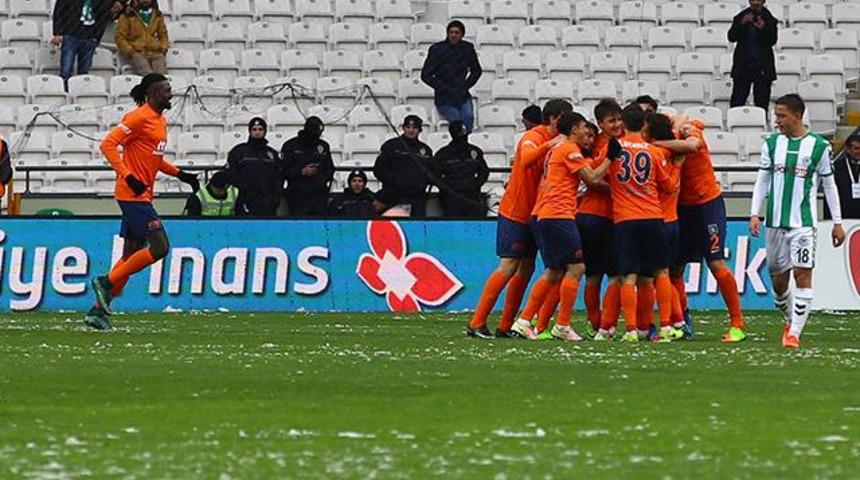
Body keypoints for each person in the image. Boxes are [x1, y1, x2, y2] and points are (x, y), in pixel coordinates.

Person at [88, 73, 199, 330]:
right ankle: (106, 281)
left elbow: (154, 159)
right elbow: (108, 145)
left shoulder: (160, 121)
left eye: (170, 89)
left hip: (142, 194)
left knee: (130, 255)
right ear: (151, 93)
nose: (170, 94)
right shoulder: (138, 117)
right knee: (160, 247)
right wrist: (127, 175)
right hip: (132, 195)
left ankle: (98, 312)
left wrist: (181, 175)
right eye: (165, 90)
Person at [466, 99, 570, 340]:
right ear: (554, 118)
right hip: (516, 211)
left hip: (536, 213)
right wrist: (551, 145)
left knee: (526, 267)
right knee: (509, 265)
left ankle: (506, 325)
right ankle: (477, 322)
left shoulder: (562, 142)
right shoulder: (533, 136)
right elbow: (527, 159)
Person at [749, 94, 845, 348]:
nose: (777, 120)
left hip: (803, 224)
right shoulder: (771, 144)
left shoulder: (818, 146)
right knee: (779, 284)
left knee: (803, 275)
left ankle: (794, 334)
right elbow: (763, 181)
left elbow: (830, 184)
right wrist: (754, 212)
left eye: (781, 115)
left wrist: (837, 221)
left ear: (797, 115)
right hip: (775, 224)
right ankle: (791, 319)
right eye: (776, 115)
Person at [511, 112, 612, 341]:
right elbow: (593, 178)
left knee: (555, 270)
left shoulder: (559, 150)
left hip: (547, 213)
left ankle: (524, 320)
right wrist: (610, 158)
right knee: (577, 268)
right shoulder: (568, 149)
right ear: (574, 129)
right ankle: (562, 324)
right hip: (558, 214)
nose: (586, 133)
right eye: (582, 128)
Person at [652, 117, 748, 343]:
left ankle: (737, 324)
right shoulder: (658, 143)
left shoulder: (684, 131)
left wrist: (657, 143)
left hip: (707, 205)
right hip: (680, 209)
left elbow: (693, 142)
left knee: (716, 264)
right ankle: (681, 322)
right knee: (674, 269)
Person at [603, 104, 680, 343]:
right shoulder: (654, 152)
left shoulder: (613, 149)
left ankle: (631, 330)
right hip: (652, 216)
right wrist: (676, 166)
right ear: (644, 125)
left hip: (625, 219)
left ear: (623, 124)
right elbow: (668, 186)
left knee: (629, 275)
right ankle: (666, 326)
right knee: (660, 272)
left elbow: (599, 174)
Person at [579, 99, 624, 339]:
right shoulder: (608, 146)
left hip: (587, 215)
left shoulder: (594, 142)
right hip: (604, 217)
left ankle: (594, 323)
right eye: (611, 120)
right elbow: (595, 178)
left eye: (618, 119)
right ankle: (605, 326)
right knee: (616, 274)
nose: (616, 124)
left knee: (593, 274)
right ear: (600, 123)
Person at [420, 20, 482, 133]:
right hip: (444, 97)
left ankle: (466, 145)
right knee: (456, 121)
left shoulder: (468, 48)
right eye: (451, 32)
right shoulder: (437, 49)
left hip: (462, 95)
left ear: (462, 35)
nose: (453, 35)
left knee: (468, 118)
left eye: (457, 32)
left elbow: (476, 71)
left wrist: (465, 86)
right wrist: (441, 87)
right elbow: (425, 75)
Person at [52, 0, 127, 88]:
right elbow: (58, 11)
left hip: (89, 37)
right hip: (70, 34)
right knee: (65, 70)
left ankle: (81, 92)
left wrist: (96, 37)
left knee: (84, 72)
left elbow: (108, 13)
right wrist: (57, 33)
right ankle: (65, 92)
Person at [373, 115, 434, 217]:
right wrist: (395, 181)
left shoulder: (426, 150)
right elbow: (379, 170)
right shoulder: (391, 146)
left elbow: (431, 173)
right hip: (394, 197)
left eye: (414, 128)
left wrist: (422, 183)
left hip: (417, 198)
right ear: (403, 128)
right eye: (408, 127)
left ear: (420, 130)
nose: (411, 130)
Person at [225, 117, 283, 217]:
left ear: (265, 131)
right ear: (250, 131)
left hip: (267, 202)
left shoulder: (272, 154)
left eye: (260, 129)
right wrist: (244, 189)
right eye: (254, 129)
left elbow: (278, 177)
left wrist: (275, 198)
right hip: (245, 199)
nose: (257, 132)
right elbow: (231, 174)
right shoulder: (239, 151)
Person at [432, 120, 490, 217]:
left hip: (471, 197)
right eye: (458, 131)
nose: (461, 135)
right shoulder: (443, 154)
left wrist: (474, 185)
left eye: (462, 131)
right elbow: (435, 176)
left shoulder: (475, 151)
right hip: (451, 198)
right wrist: (449, 188)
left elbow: (484, 172)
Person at [728, 0, 779, 111]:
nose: (755, 3)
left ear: (763, 1)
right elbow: (731, 37)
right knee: (737, 102)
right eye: (752, 0)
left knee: (762, 104)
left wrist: (763, 28)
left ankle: (762, 125)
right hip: (743, 67)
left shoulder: (770, 19)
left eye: (758, 0)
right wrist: (742, 23)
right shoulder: (740, 16)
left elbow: (772, 40)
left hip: (762, 68)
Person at [281, 117, 335, 216]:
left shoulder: (323, 146)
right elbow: (283, 171)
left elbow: (330, 169)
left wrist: (320, 177)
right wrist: (301, 172)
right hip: (298, 197)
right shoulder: (291, 146)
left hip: (319, 196)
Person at [116, 0, 169, 76]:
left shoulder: (157, 15)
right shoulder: (128, 16)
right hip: (137, 52)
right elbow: (120, 37)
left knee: (162, 77)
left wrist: (163, 48)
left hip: (156, 51)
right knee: (149, 76)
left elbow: (163, 34)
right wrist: (131, 51)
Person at [825, 134, 860, 220]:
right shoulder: (837, 167)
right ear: (848, 149)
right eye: (856, 148)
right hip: (843, 216)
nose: (859, 151)